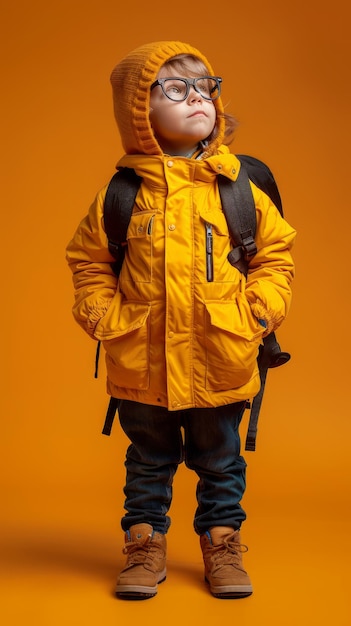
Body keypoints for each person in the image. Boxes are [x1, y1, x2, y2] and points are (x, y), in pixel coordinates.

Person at [66, 40, 296, 600]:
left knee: (221, 463)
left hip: (223, 357)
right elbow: (89, 262)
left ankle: (223, 544)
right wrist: (105, 318)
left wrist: (257, 312)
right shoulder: (121, 195)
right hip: (142, 366)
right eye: (175, 89)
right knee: (147, 463)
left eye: (205, 87)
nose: (197, 97)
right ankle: (144, 546)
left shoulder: (239, 186)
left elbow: (275, 256)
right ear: (139, 114)